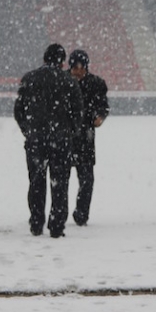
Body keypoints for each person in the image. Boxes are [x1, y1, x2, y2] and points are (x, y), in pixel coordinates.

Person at [14, 44, 83, 238]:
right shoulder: (69, 81)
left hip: (36, 140)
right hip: (60, 141)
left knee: (36, 181)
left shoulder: (29, 79)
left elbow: (18, 111)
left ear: (45, 58)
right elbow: (77, 112)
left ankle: (36, 222)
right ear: (62, 62)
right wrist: (70, 131)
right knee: (60, 183)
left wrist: (28, 131)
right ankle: (57, 224)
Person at [67, 49, 110, 226]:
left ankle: (81, 213)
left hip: (85, 137)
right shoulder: (63, 82)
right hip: (65, 137)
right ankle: (58, 212)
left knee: (87, 180)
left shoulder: (96, 84)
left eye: (82, 68)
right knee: (60, 179)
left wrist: (100, 116)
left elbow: (103, 106)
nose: (78, 72)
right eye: (75, 68)